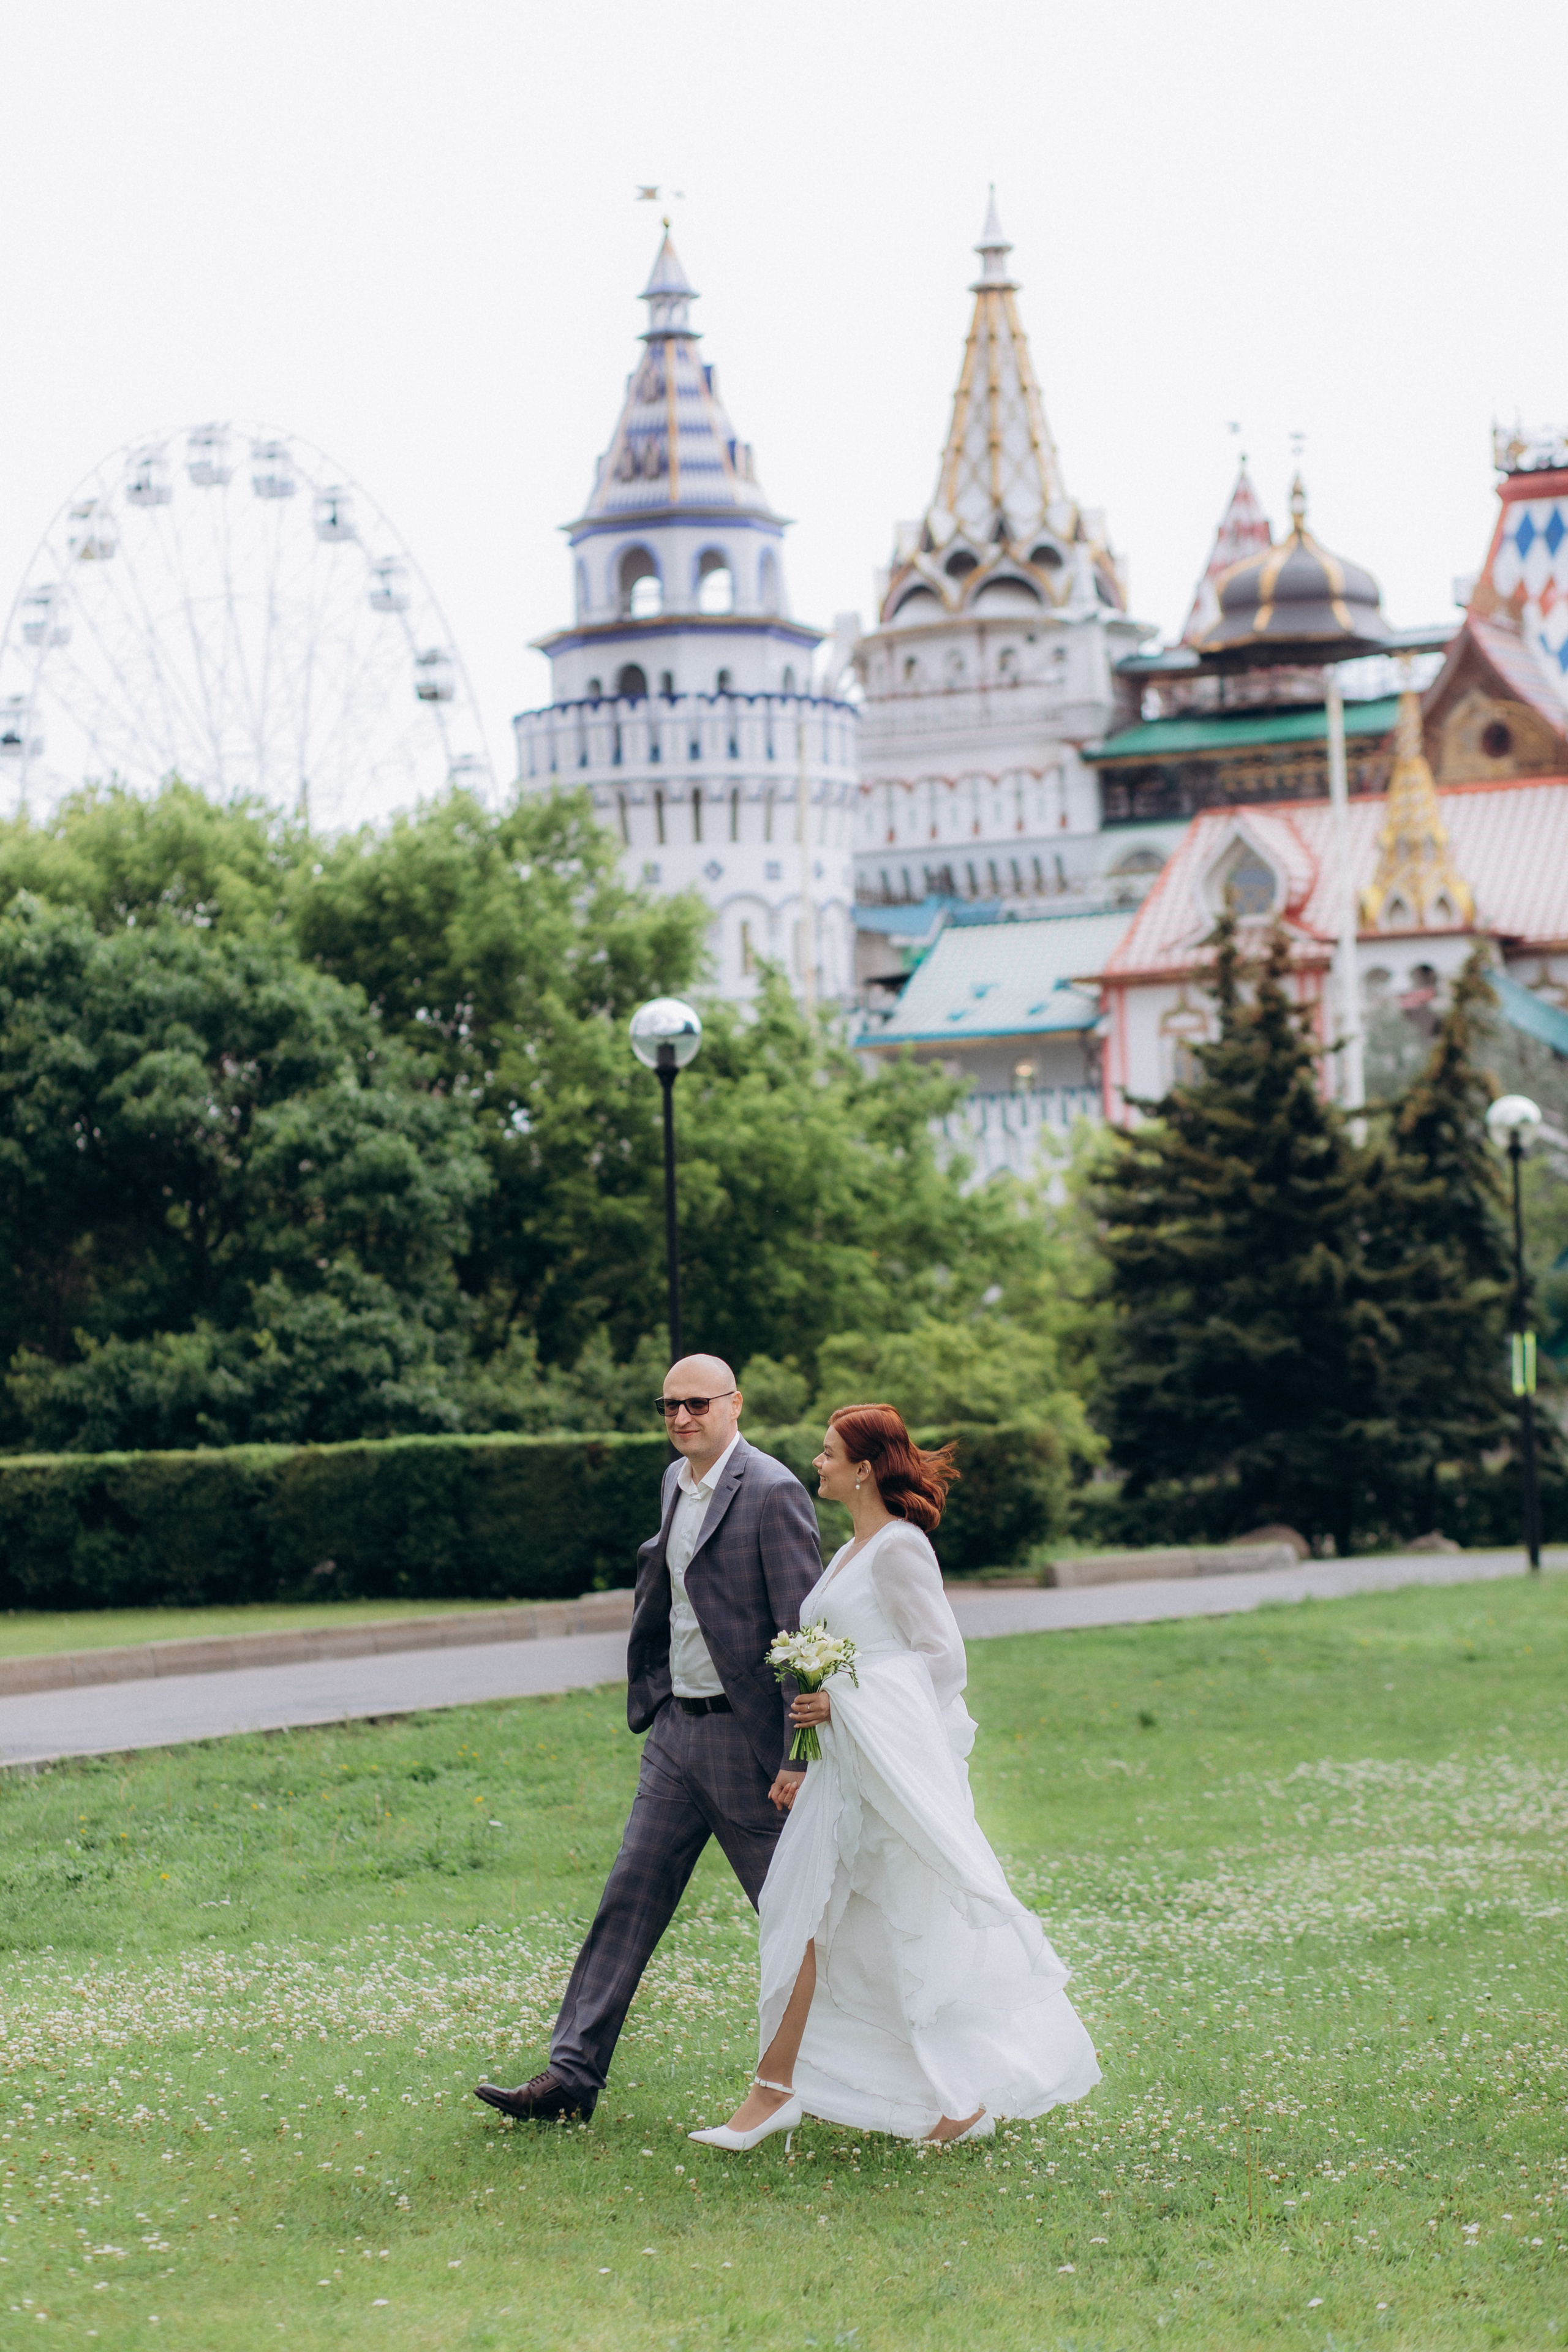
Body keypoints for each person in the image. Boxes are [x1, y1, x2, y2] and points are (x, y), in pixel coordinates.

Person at [690, 1403, 1101, 2151]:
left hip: (884, 1776)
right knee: (808, 1919)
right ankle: (792, 2091)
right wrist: (805, 1751)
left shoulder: (900, 1549)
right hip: (840, 1772)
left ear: (864, 1468)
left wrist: (842, 1701)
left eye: (827, 1453)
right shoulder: (849, 1551)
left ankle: (840, 2095)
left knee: (887, 1928)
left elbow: (942, 1660)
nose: (816, 1463)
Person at [475, 1354, 823, 2124]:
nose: (681, 1418)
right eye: (669, 1406)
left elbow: (803, 1633)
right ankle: (570, 2078)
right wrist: (658, 1691)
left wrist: (798, 1757)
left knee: (795, 1919)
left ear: (734, 1404)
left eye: (697, 1404)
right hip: (675, 1735)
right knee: (627, 1896)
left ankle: (884, 2070)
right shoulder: (674, 1481)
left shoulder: (772, 1491)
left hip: (748, 1747)